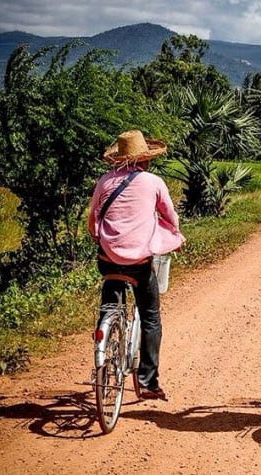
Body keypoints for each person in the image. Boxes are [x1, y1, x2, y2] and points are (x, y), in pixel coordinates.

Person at [88, 130, 185, 400]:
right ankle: (148, 382)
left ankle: (105, 334)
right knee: (151, 317)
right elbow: (169, 215)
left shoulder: (104, 181)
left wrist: (104, 239)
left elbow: (92, 219)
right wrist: (175, 236)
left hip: (108, 260)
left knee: (110, 302)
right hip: (140, 262)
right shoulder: (153, 182)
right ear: (145, 158)